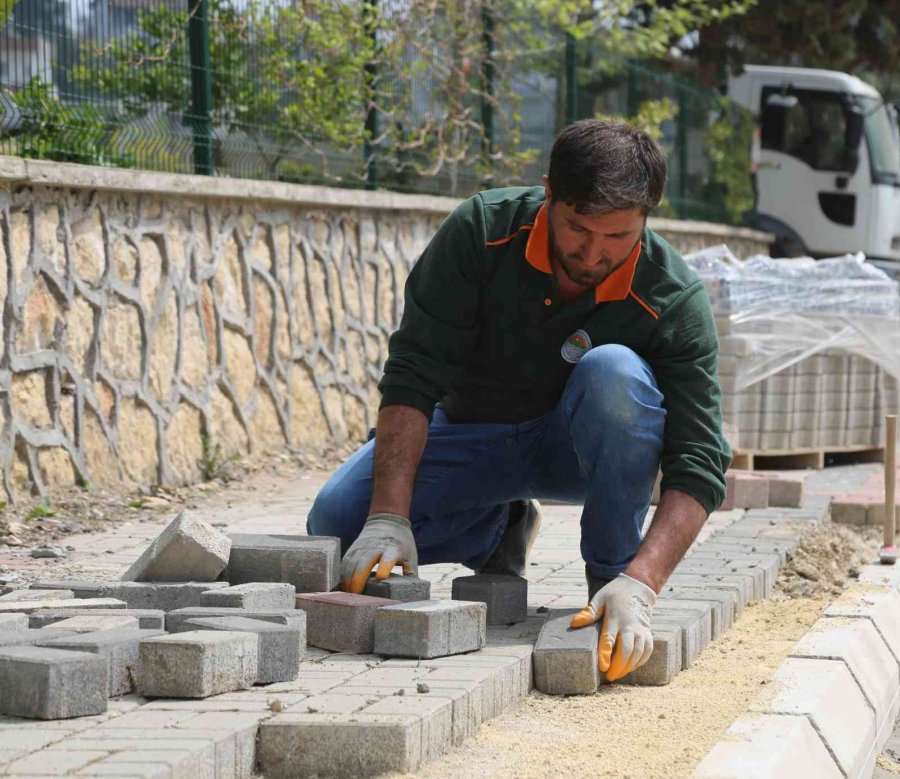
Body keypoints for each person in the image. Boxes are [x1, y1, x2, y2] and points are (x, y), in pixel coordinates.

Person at [308, 119, 731, 682]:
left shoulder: (671, 297)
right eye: (579, 228)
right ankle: (499, 525)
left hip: (577, 453)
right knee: (334, 525)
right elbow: (413, 375)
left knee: (613, 371)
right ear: (548, 193)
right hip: (472, 436)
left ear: (647, 218)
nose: (592, 254)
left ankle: (608, 582)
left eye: (618, 238)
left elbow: (700, 460)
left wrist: (643, 581)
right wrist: (389, 516)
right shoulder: (481, 232)